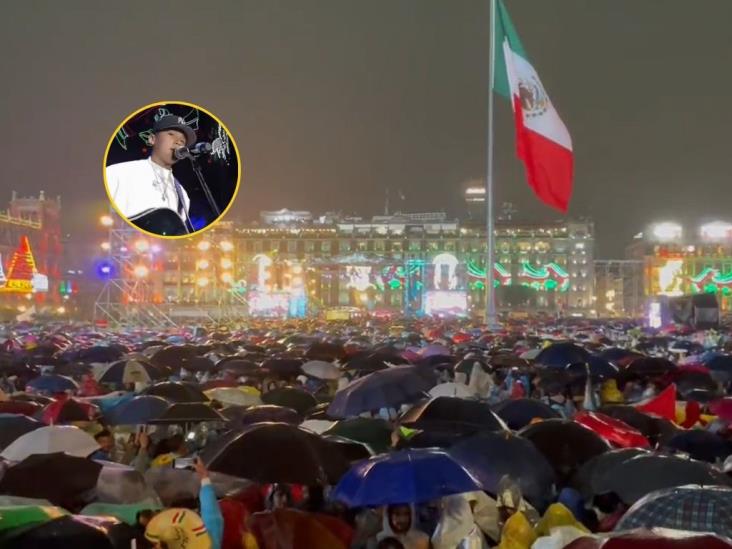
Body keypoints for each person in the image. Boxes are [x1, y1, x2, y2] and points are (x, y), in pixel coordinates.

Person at [106, 114, 196, 232]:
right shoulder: (118, 172)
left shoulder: (183, 195)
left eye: (182, 141)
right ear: (152, 139)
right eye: (171, 134)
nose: (178, 142)